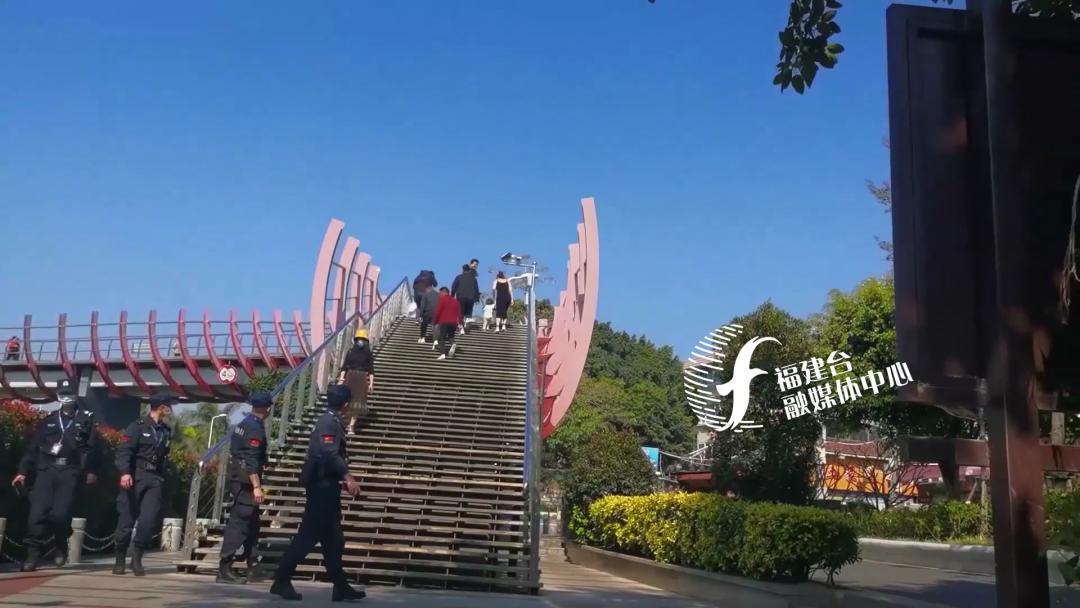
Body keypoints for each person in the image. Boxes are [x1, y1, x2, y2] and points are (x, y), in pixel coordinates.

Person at [269, 384, 365, 602]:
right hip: (321, 488)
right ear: (346, 404)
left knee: (334, 540)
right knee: (308, 537)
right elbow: (329, 454)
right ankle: (281, 579)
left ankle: (340, 586)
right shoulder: (328, 422)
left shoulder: (330, 420)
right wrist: (347, 476)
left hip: (326, 485)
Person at [11, 381, 99, 572]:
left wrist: (91, 470)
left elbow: (92, 448)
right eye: (62, 394)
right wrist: (22, 472)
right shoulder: (49, 420)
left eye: (69, 394)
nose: (66, 398)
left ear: (75, 396)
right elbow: (33, 448)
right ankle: (32, 555)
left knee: (61, 514)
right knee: (36, 514)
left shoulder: (86, 419)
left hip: (70, 471)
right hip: (47, 470)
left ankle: (60, 543)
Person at [113, 392, 175, 577]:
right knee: (126, 521)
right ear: (161, 407)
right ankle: (120, 559)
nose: (171, 409)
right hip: (135, 476)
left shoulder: (165, 430)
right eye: (168, 406)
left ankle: (137, 558)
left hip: (154, 478)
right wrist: (125, 473)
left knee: (148, 520)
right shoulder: (136, 427)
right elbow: (124, 451)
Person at [216, 392, 273, 585]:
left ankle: (253, 564)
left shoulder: (245, 423)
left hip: (240, 479)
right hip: (245, 482)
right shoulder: (254, 427)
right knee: (239, 523)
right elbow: (250, 459)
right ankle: (224, 568)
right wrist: (256, 486)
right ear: (267, 408)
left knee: (252, 524)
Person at [338, 329, 374, 435]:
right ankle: (345, 422)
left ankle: (351, 426)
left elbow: (371, 370)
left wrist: (371, 383)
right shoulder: (350, 351)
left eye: (362, 339)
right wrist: (341, 379)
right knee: (346, 401)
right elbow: (344, 366)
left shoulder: (368, 353)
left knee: (357, 403)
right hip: (350, 376)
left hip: (361, 377)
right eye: (359, 339)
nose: (360, 341)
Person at [450, 262, 479, 335]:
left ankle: (461, 328)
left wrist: (452, 296)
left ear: (463, 270)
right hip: (471, 298)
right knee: (468, 313)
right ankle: (466, 322)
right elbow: (476, 289)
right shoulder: (473, 279)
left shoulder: (458, 277)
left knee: (461, 313)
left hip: (461, 297)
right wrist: (477, 299)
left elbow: (453, 287)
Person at [433, 287, 459, 361]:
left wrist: (435, 321)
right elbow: (458, 312)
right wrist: (459, 323)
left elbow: (438, 311)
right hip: (453, 322)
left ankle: (443, 354)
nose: (439, 294)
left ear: (443, 292)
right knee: (451, 336)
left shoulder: (442, 299)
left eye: (440, 293)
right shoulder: (455, 301)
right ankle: (453, 343)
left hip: (444, 321)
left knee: (441, 338)